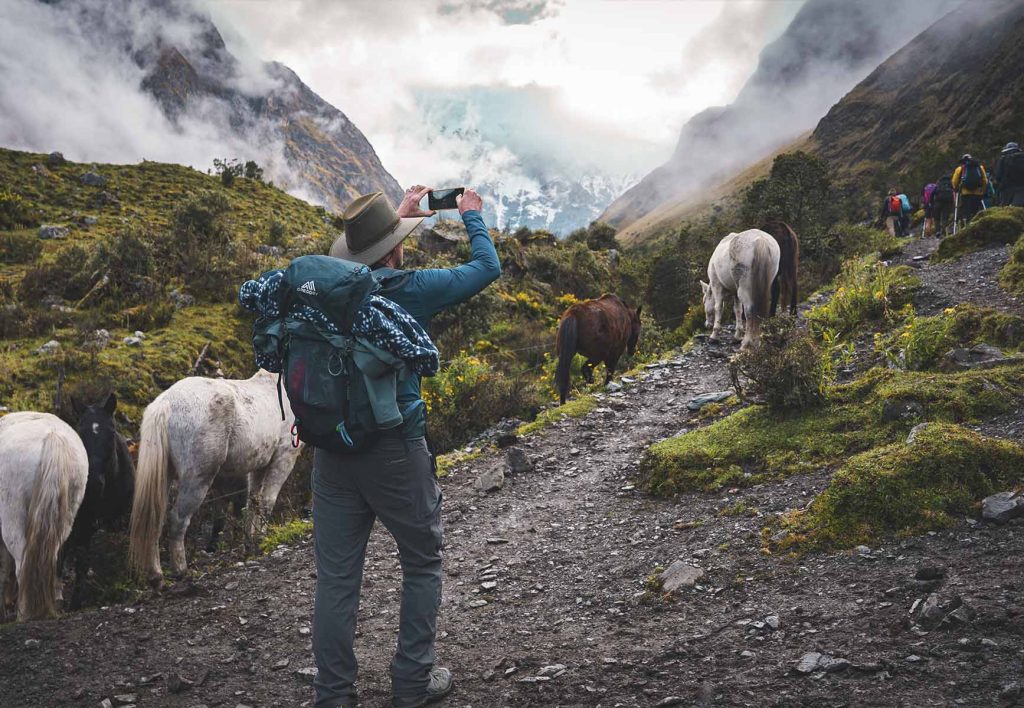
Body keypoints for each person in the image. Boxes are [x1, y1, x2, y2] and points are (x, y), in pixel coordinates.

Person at [314, 186, 500, 708]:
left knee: (336, 578)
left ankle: (333, 696)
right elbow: (486, 269)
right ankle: (412, 685)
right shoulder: (411, 288)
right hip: (394, 448)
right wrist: (471, 217)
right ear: (395, 249)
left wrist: (390, 224)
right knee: (421, 562)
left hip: (331, 452)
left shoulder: (327, 290)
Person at [951, 153, 989, 225]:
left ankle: (967, 224)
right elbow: (985, 180)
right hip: (977, 193)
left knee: (966, 211)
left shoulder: (960, 168)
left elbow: (954, 181)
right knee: (976, 211)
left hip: (965, 193)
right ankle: (976, 224)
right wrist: (983, 190)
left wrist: (956, 189)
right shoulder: (979, 167)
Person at [994, 142, 1024, 206]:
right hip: (1022, 190)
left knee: (1006, 210)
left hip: (1007, 190)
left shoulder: (1003, 159)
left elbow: (998, 176)